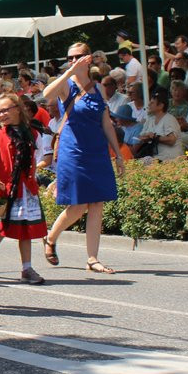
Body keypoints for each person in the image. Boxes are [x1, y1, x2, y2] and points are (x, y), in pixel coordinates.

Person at [42, 43, 125, 274]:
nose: (73, 60)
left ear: (88, 58)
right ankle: (50, 238)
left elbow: (106, 122)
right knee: (78, 205)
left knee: (97, 203)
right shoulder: (65, 84)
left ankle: (92, 258)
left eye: (77, 57)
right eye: (69, 57)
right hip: (74, 150)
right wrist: (68, 72)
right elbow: (46, 95)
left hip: (96, 150)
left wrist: (117, 154)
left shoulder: (98, 87)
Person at [0, 94, 47, 284]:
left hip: (26, 188)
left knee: (26, 230)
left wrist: (32, 178)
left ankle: (27, 268)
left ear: (17, 108)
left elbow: (36, 156)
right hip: (5, 187)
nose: (2, 114)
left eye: (6, 110)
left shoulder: (33, 133)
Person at [133, 89, 182, 161]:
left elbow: (172, 140)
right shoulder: (150, 119)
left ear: (161, 106)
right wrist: (147, 136)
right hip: (156, 157)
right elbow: (141, 137)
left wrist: (155, 137)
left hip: (170, 158)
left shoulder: (169, 119)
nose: (149, 104)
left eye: (152, 103)